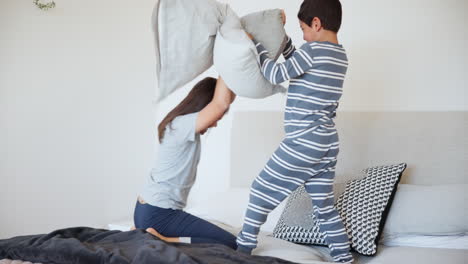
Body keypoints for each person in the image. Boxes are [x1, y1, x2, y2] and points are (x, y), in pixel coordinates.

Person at [237, 0, 353, 262]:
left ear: (316, 23)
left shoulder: (311, 52)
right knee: (324, 208)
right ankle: (344, 258)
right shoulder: (340, 56)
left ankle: (243, 248)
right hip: (327, 143)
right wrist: (284, 39)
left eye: (303, 29)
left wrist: (256, 45)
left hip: (304, 141)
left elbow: (276, 74)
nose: (303, 36)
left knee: (260, 189)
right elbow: (300, 64)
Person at [134, 76, 237, 249]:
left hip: (146, 211)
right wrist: (229, 61)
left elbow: (223, 102)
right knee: (232, 243)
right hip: (159, 214)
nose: (215, 124)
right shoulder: (182, 125)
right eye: (217, 118)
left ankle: (145, 232)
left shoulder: (177, 125)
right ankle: (162, 239)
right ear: (204, 106)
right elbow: (221, 104)